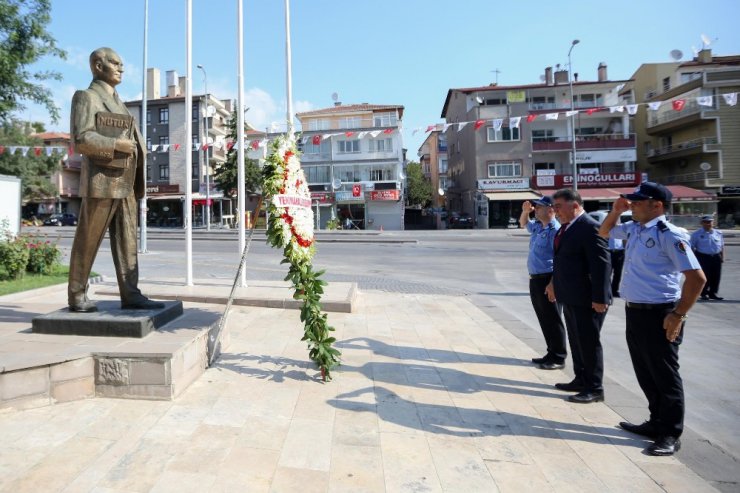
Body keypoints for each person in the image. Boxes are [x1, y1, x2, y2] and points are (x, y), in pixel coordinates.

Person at [599, 182, 705, 456]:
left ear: (656, 205)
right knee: (645, 371)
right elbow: (604, 230)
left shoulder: (669, 235)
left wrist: (678, 315)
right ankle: (655, 421)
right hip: (635, 311)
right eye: (631, 201)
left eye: (638, 201)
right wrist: (616, 210)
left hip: (661, 313)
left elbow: (696, 279)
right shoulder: (635, 228)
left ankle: (670, 433)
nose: (632, 204)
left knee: (664, 374)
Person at [67, 47, 164, 312]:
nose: (121, 68)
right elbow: (81, 138)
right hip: (102, 181)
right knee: (89, 239)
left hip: (127, 182)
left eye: (122, 64)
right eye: (115, 63)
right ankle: (77, 294)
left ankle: (131, 294)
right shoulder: (86, 97)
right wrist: (115, 145)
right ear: (98, 66)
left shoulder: (119, 101)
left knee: (128, 241)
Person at [546, 188, 611, 404]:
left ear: (575, 205)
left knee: (589, 342)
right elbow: (561, 261)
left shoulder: (590, 228)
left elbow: (602, 266)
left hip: (588, 299)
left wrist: (600, 298)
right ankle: (581, 379)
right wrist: (553, 284)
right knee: (576, 340)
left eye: (558, 207)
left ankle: (594, 387)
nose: (556, 211)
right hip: (570, 295)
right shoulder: (566, 228)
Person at [518, 197, 567, 370]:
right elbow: (524, 223)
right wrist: (526, 211)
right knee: (544, 318)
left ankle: (559, 356)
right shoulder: (539, 227)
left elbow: (560, 260)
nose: (536, 210)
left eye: (539, 207)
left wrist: (553, 283)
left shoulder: (556, 230)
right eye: (535, 207)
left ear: (551, 210)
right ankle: (551, 352)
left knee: (553, 318)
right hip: (535, 279)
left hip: (548, 280)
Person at [690, 215, 724, 301]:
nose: (708, 224)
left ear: (713, 223)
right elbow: (691, 247)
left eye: (710, 222)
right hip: (703, 257)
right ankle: (704, 293)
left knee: (716, 276)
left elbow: (721, 246)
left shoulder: (718, 233)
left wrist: (722, 257)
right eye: (705, 222)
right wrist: (693, 260)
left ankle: (713, 293)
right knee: (705, 276)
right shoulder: (696, 234)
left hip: (716, 257)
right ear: (702, 223)